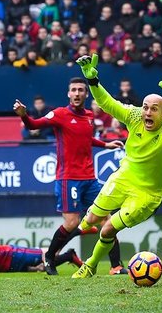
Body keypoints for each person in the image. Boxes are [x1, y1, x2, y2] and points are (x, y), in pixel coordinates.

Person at [72, 54, 162, 278]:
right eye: (145, 107)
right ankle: (82, 227)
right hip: (124, 176)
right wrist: (92, 81)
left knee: (108, 228)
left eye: (154, 109)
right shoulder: (135, 116)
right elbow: (108, 104)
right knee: (90, 221)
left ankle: (90, 265)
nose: (147, 113)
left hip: (148, 193)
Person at [13, 77, 125, 276]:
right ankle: (50, 257)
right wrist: (24, 115)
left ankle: (116, 266)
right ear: (68, 93)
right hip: (68, 179)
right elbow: (33, 125)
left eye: (81, 90)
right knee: (72, 222)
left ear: (86, 94)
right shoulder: (59, 114)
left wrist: (105, 144)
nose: (77, 93)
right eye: (73, 90)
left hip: (89, 179)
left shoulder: (90, 116)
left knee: (107, 221)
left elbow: (85, 138)